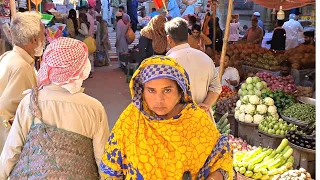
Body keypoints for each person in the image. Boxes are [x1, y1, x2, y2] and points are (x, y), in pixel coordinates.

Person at [100, 56, 233, 179]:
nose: (159, 100)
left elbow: (222, 157)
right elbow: (111, 170)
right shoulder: (130, 120)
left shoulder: (195, 120)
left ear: (180, 91)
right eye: (151, 90)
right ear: (142, 91)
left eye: (167, 90)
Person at [0, 37, 109, 179]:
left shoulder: (29, 102)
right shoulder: (94, 108)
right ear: (80, 68)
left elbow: (11, 152)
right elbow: (103, 159)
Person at [0, 12, 45, 152]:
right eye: (43, 35)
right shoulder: (21, 67)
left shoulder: (11, 58)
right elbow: (9, 111)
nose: (45, 39)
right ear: (34, 40)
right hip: (11, 143)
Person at [165, 17, 222, 120]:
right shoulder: (205, 58)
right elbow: (216, 87)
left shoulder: (166, 63)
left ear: (169, 38)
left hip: (176, 121)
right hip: (201, 118)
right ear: (188, 35)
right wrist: (206, 104)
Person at [78, 13, 95, 78]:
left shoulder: (82, 24)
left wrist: (79, 30)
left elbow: (85, 33)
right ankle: (90, 70)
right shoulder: (87, 23)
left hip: (86, 40)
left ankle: (88, 71)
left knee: (87, 57)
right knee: (90, 56)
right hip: (90, 40)